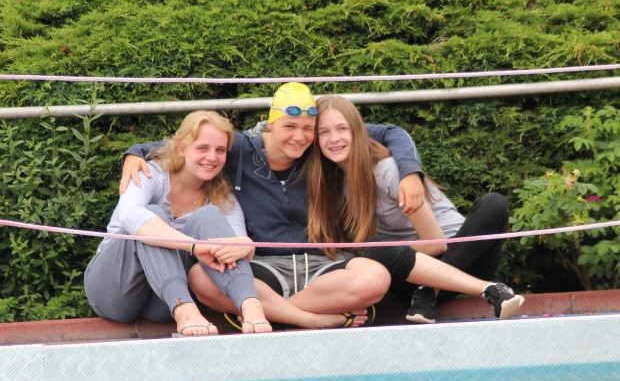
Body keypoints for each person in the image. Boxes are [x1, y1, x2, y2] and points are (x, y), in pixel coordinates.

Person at [119, 83, 426, 329]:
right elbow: (185, 147)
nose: (299, 136)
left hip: (323, 265)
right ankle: (310, 319)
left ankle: (272, 312)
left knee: (375, 277)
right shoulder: (238, 148)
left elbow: (390, 132)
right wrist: (134, 153)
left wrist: (411, 173)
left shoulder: (320, 146)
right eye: (289, 126)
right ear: (270, 124)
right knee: (200, 277)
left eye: (308, 128)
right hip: (264, 267)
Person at [306, 95, 524, 323]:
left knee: (494, 203)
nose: (334, 139)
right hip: (410, 278)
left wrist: (421, 277)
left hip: (464, 260)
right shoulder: (333, 183)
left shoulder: (387, 170)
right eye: (324, 132)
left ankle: (431, 291)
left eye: (342, 129)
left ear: (359, 131)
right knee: (377, 249)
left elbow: (436, 244)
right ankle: (464, 291)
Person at [85, 111, 272, 335]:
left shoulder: (223, 196)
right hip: (114, 291)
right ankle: (185, 311)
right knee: (152, 214)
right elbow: (130, 215)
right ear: (182, 149)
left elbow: (236, 243)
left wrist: (246, 245)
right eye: (202, 148)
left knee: (210, 216)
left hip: (164, 301)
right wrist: (194, 246)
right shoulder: (151, 174)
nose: (212, 157)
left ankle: (251, 305)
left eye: (220, 150)